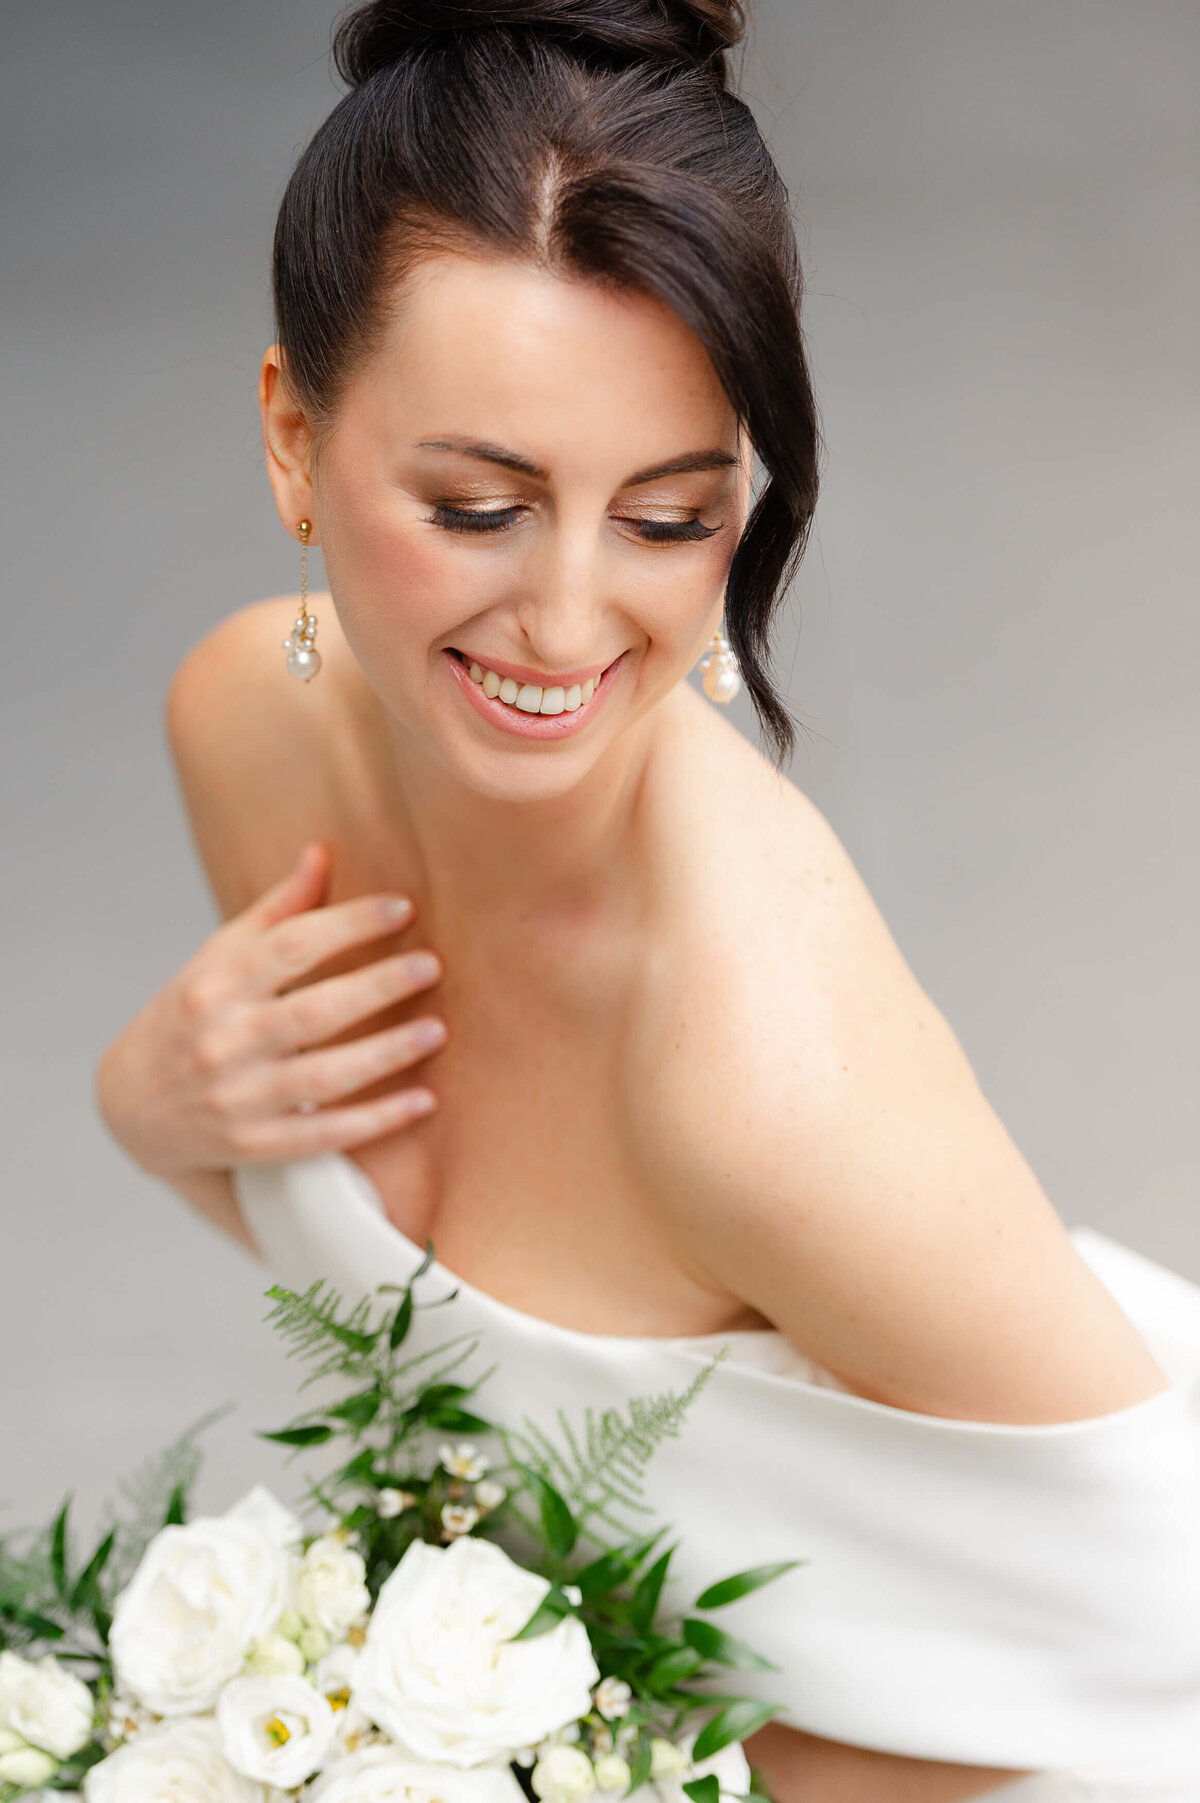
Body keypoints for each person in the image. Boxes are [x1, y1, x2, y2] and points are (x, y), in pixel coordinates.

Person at [94, 3, 1200, 1797]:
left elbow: (1166, 1635)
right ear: (293, 437)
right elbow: (441, 1347)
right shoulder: (247, 718)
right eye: (476, 507)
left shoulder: (756, 1074)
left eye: (672, 520)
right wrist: (154, 1110)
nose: (564, 623)